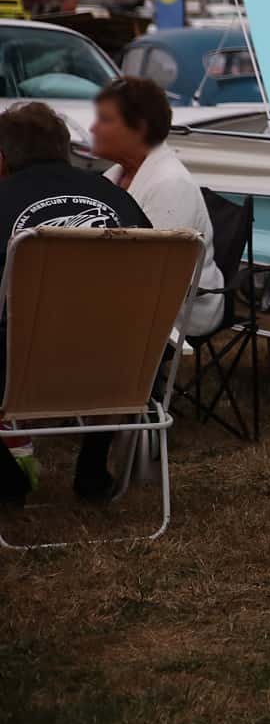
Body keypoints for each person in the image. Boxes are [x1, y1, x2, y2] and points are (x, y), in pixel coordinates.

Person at [0, 102, 151, 503]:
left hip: (21, 370)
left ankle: (7, 473)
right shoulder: (117, 198)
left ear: (3, 158)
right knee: (113, 329)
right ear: (65, 148)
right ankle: (92, 467)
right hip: (119, 369)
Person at [89, 77, 225, 336]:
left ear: (138, 128)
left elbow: (152, 271)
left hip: (179, 312)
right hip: (128, 295)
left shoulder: (170, 185)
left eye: (105, 120)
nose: (93, 129)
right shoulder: (115, 176)